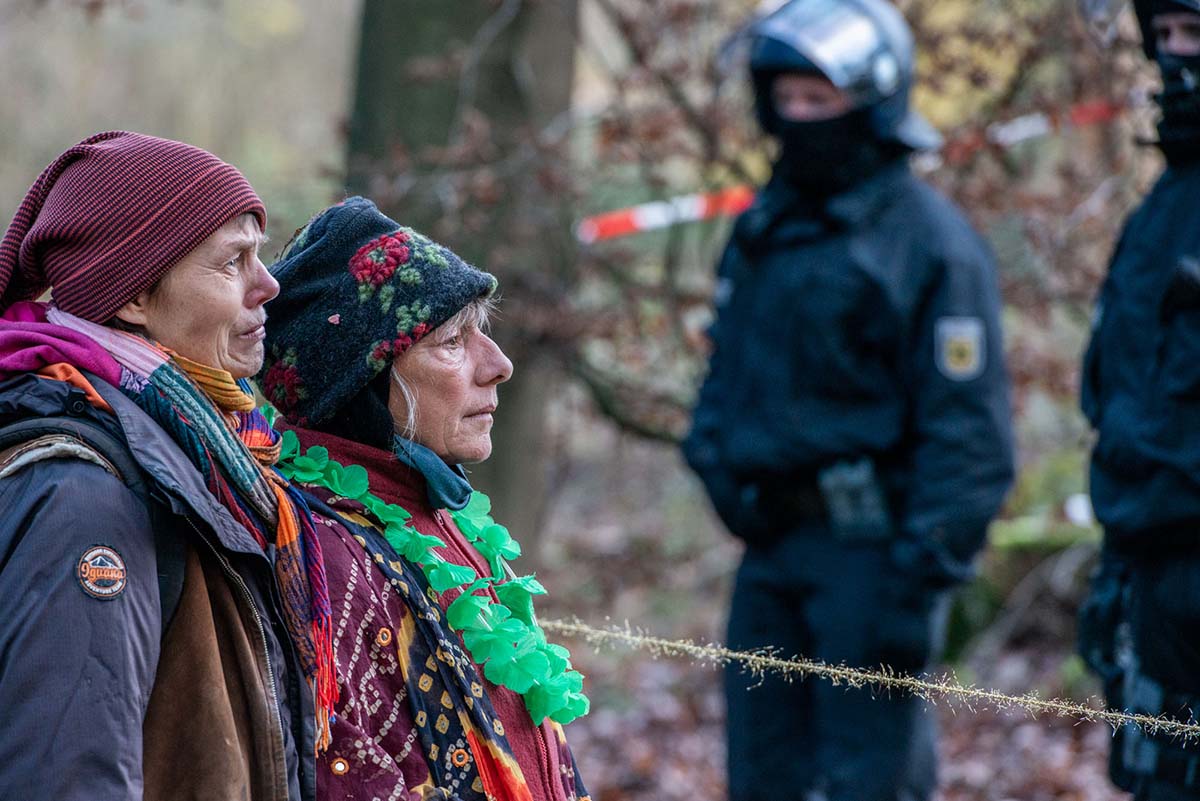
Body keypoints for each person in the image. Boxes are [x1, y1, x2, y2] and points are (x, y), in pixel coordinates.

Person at [683, 2, 1015, 799]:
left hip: (875, 560)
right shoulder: (768, 226)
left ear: (872, 101)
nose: (799, 119)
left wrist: (919, 581)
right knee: (763, 779)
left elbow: (968, 434)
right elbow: (727, 370)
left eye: (820, 101)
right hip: (770, 553)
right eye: (787, 99)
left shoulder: (929, 242)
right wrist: (719, 467)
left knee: (872, 782)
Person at [0, 131, 331, 801]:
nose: (268, 285)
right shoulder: (83, 497)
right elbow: (68, 778)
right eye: (233, 260)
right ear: (133, 299)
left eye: (259, 254)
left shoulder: (207, 454)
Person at [257, 196, 590, 801]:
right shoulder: (326, 556)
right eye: (452, 341)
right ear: (362, 379)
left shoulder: (429, 513)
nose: (500, 365)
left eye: (479, 332)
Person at [1078, 2, 1200, 798]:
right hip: (1153, 571)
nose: (1176, 55)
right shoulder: (1160, 210)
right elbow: (1110, 388)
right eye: (1166, 36)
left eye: (1196, 33)